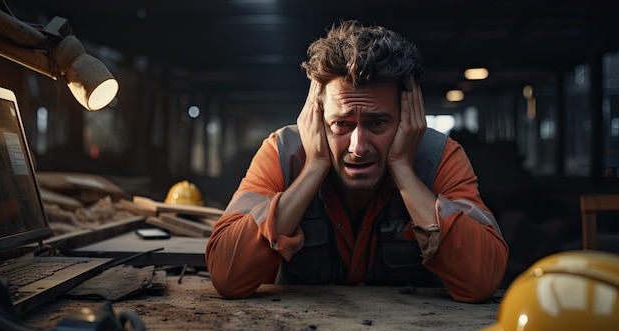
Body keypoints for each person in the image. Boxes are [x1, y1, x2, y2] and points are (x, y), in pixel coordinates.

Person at [205, 19, 508, 303]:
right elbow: (227, 276)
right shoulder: (283, 153)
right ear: (317, 117)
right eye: (342, 124)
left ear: (407, 119)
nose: (358, 146)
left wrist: (403, 169)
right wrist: (314, 167)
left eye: (377, 124)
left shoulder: (438, 157)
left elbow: (481, 281)